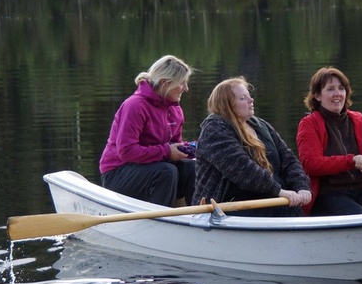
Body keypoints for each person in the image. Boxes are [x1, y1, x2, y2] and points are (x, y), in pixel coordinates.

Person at [193, 77, 312, 217]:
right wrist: (279, 191)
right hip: (230, 208)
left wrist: (302, 187)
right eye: (243, 98)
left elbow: (288, 159)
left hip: (273, 202)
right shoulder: (214, 130)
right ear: (227, 105)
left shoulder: (261, 125)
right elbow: (242, 169)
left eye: (249, 96)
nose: (251, 100)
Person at [296, 67, 362, 216]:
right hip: (329, 194)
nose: (337, 94)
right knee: (361, 217)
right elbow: (311, 164)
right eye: (330, 89)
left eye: (341, 88)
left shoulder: (358, 120)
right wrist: (350, 161)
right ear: (317, 96)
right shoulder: (309, 124)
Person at [99, 55, 196, 207]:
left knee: (192, 167)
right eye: (182, 83)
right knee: (166, 171)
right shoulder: (135, 106)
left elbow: (173, 146)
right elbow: (126, 151)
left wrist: (190, 150)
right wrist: (166, 152)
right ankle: (161, 220)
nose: (186, 88)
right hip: (117, 174)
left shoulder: (175, 110)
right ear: (164, 83)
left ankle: (196, 217)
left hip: (155, 169)